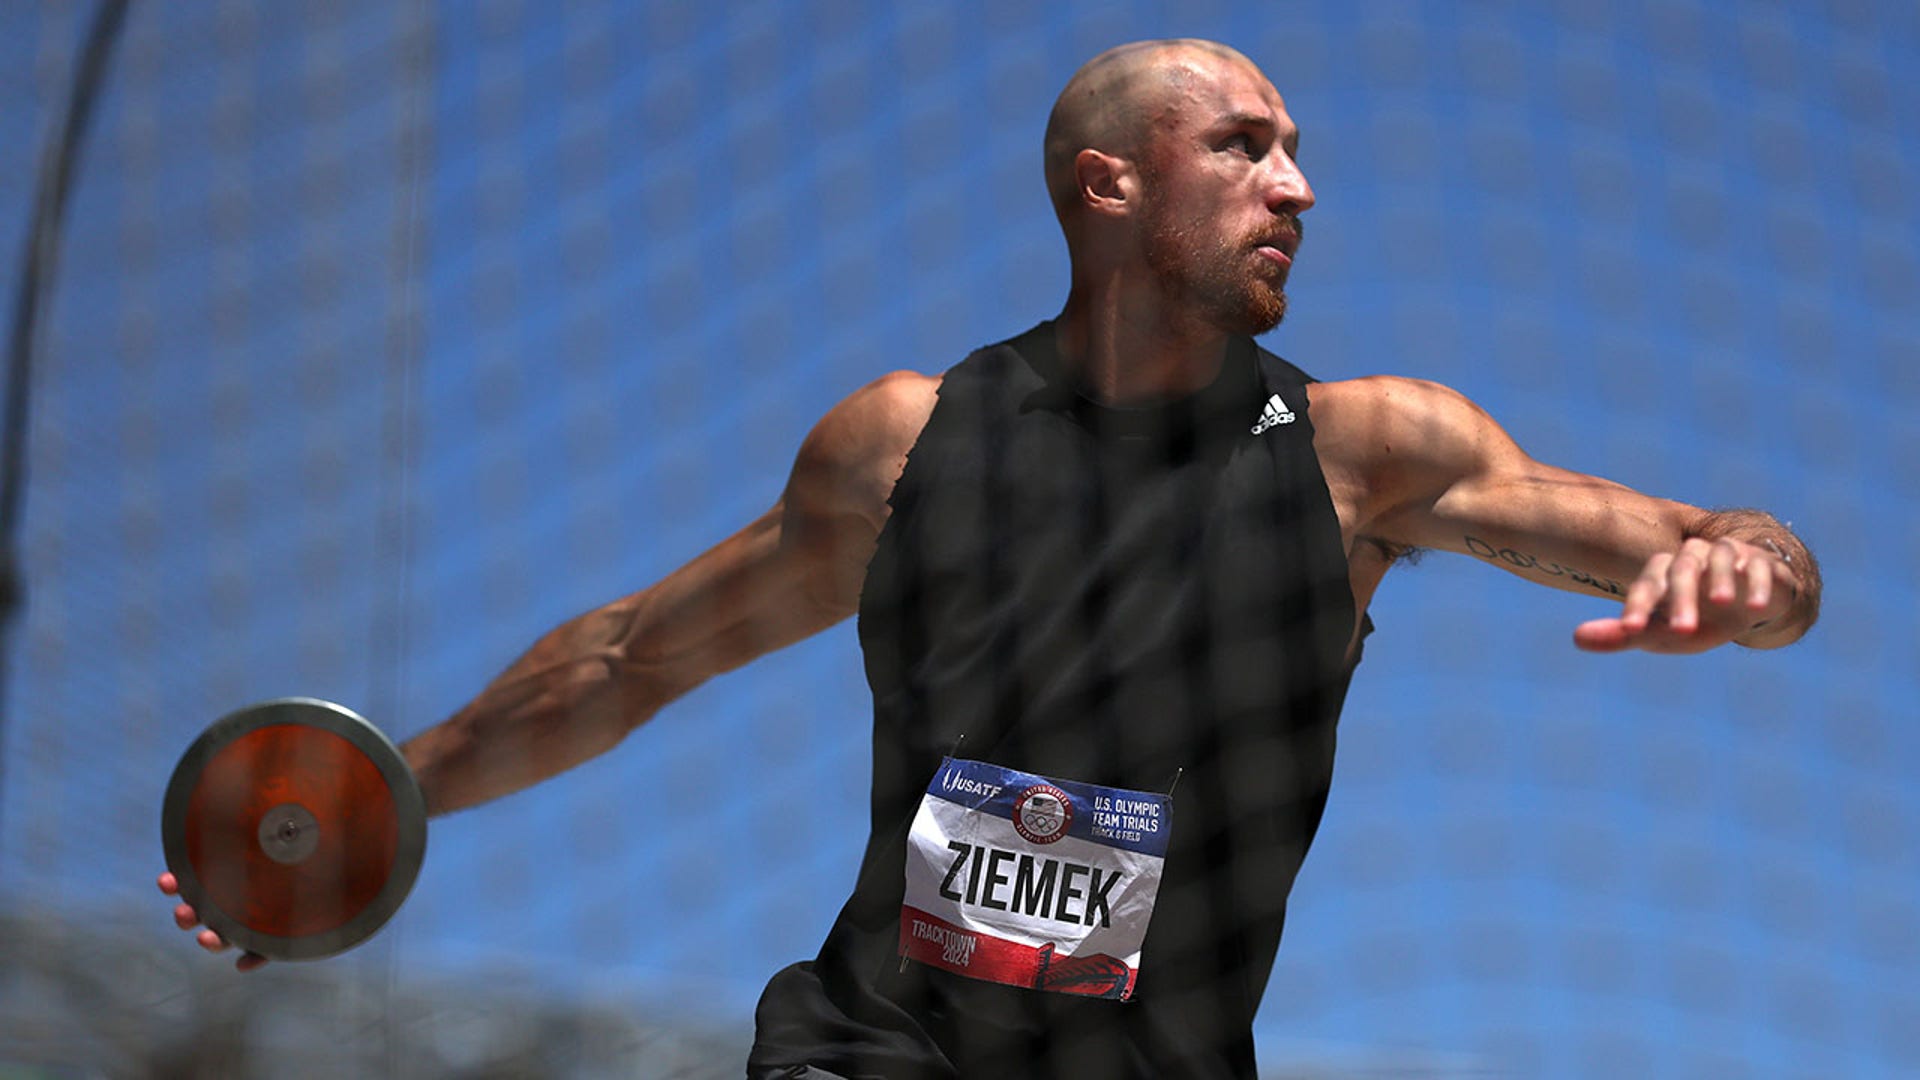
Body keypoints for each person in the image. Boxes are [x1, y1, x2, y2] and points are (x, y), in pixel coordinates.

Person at [160, 38, 1821, 1079]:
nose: (1296, 186)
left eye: (1296, 151)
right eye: (1242, 146)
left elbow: (1718, 545)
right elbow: (630, 658)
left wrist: (1744, 575)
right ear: (1109, 183)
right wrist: (387, 797)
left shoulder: (1365, 450)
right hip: (868, 1048)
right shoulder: (902, 445)